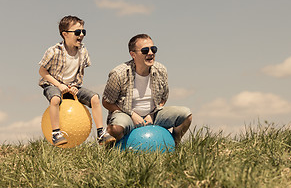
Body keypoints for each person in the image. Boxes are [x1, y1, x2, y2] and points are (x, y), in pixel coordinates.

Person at [38, 15, 115, 146]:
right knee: (55, 99)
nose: (81, 35)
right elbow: (42, 71)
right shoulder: (54, 51)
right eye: (77, 32)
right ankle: (56, 133)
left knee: (95, 98)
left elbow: (79, 73)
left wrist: (74, 86)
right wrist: (59, 85)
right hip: (53, 85)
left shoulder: (83, 51)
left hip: (73, 86)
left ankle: (101, 133)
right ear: (65, 34)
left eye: (83, 32)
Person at [102, 34, 192, 146]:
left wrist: (152, 114)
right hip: (127, 116)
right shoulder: (119, 74)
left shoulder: (161, 70)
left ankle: (174, 144)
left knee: (186, 115)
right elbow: (106, 102)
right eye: (145, 50)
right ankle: (116, 148)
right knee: (115, 128)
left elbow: (163, 97)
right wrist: (132, 114)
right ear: (133, 54)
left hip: (153, 116)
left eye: (153, 49)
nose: (150, 53)